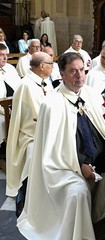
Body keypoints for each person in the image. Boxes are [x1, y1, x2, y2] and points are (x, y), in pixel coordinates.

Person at [17, 52, 105, 240]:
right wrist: (80, 165)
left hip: (100, 157)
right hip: (66, 165)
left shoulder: (91, 94)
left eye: (82, 70)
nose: (80, 76)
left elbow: (104, 128)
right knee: (78, 193)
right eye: (73, 71)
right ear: (62, 74)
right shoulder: (52, 103)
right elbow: (53, 150)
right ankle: (79, 234)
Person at [6, 52, 54, 201]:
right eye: (51, 64)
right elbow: (37, 114)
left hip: (43, 129)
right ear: (42, 66)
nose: (53, 67)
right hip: (31, 135)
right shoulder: (26, 85)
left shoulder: (43, 81)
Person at [0, 43, 21, 145]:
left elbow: (19, 87)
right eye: (1, 55)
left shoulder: (10, 68)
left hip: (15, 105)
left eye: (6, 55)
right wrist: (5, 110)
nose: (5, 58)